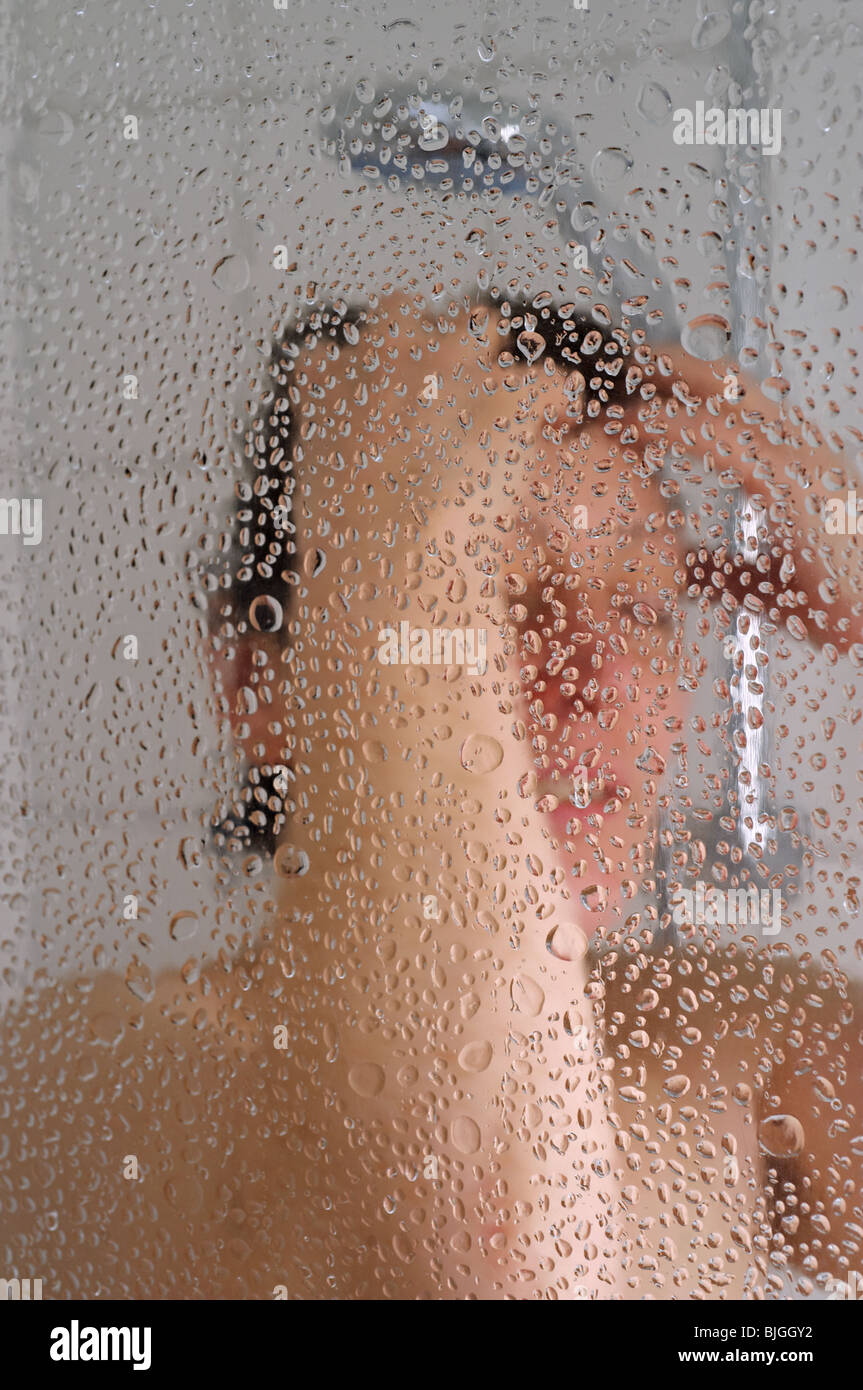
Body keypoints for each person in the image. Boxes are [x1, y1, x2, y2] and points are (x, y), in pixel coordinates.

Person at [1, 289, 860, 1300]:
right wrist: (395, 552)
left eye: (640, 605)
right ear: (258, 691)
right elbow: (490, 1259)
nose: (599, 676)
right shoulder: (81, 1075)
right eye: (493, 597)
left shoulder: (729, 1036)